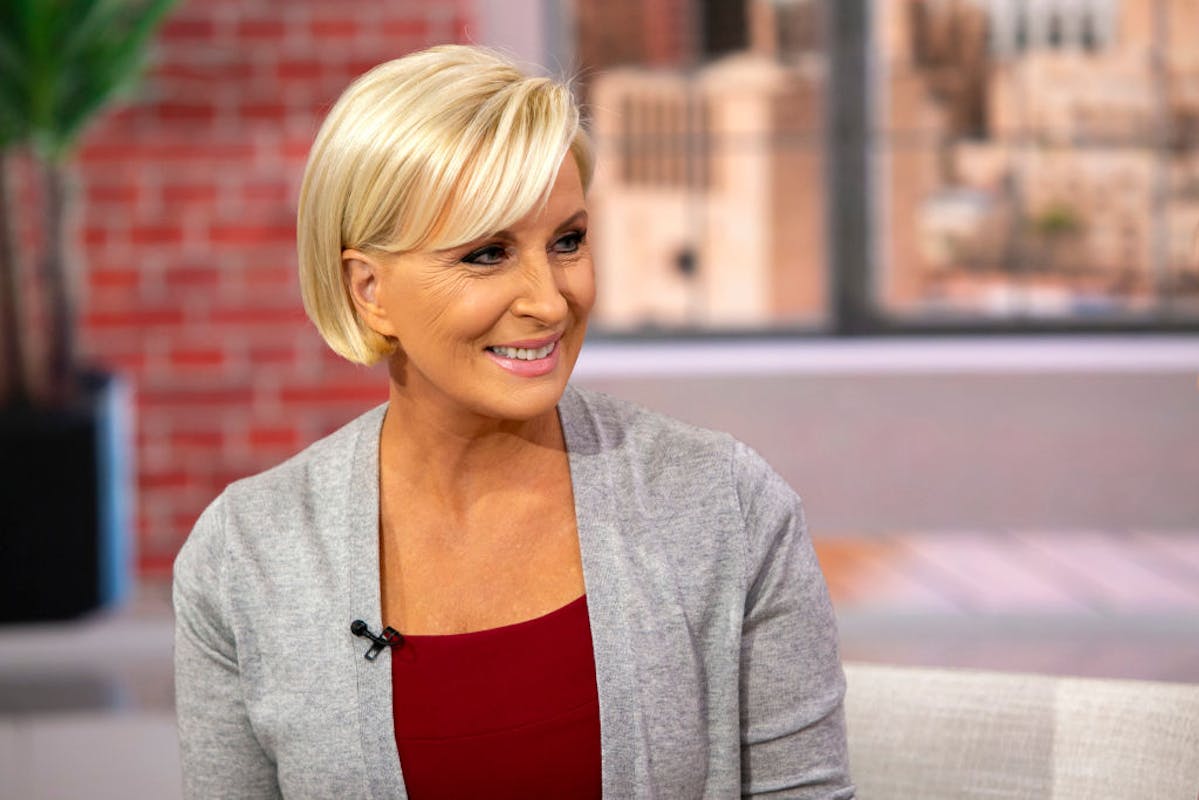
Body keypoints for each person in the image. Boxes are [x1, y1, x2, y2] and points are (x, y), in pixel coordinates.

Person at [173, 44, 854, 800]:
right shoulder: (244, 556)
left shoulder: (725, 505)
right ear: (369, 290)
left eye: (567, 241)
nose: (550, 301)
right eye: (488, 253)